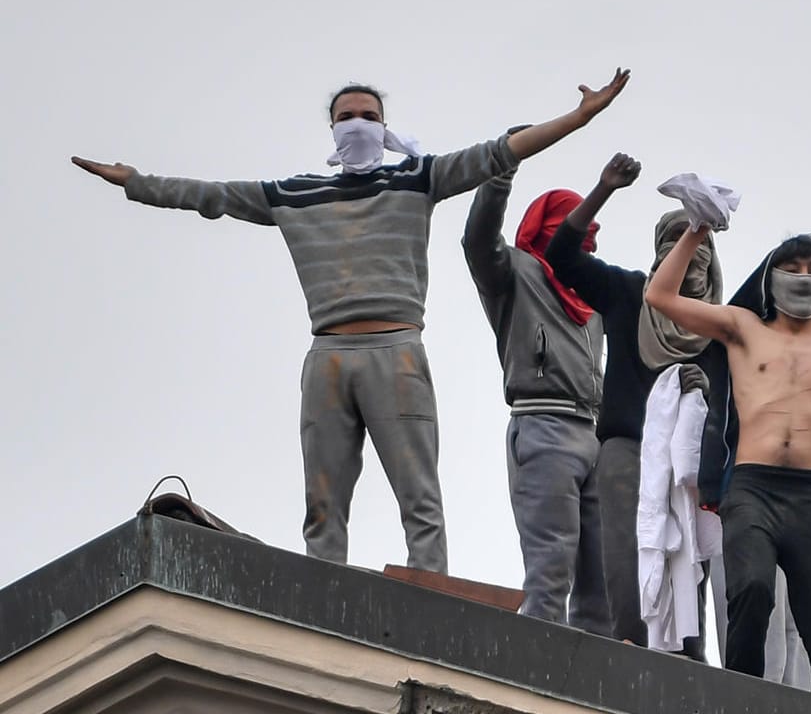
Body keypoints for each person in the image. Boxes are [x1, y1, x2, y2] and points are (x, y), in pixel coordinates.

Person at [73, 72, 630, 572]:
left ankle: (430, 597)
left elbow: (496, 153)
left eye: (369, 116)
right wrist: (134, 181)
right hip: (329, 354)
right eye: (347, 117)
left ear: (386, 129)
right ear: (332, 130)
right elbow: (210, 196)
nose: (358, 125)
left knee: (420, 498)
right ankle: (324, 595)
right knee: (324, 502)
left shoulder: (416, 180)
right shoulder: (295, 195)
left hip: (398, 350)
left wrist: (579, 118)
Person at [644, 222, 811, 700]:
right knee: (750, 589)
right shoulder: (742, 328)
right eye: (793, 268)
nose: (804, 277)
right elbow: (661, 296)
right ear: (772, 276)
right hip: (752, 487)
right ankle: (743, 703)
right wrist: (697, 230)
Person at [543, 154, 715, 652]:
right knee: (627, 564)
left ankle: (687, 670)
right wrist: (603, 189)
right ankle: (629, 662)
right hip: (627, 454)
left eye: (699, 241)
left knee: (690, 570)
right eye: (675, 241)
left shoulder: (722, 322)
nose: (687, 254)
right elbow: (563, 256)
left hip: (694, 465)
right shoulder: (626, 293)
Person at [463, 173, 610, 632]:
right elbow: (477, 239)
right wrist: (499, 173)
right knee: (551, 567)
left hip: (595, 432)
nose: (588, 232)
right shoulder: (514, 273)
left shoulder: (591, 296)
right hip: (543, 424)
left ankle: (594, 686)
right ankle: (542, 669)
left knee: (603, 578)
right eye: (573, 221)